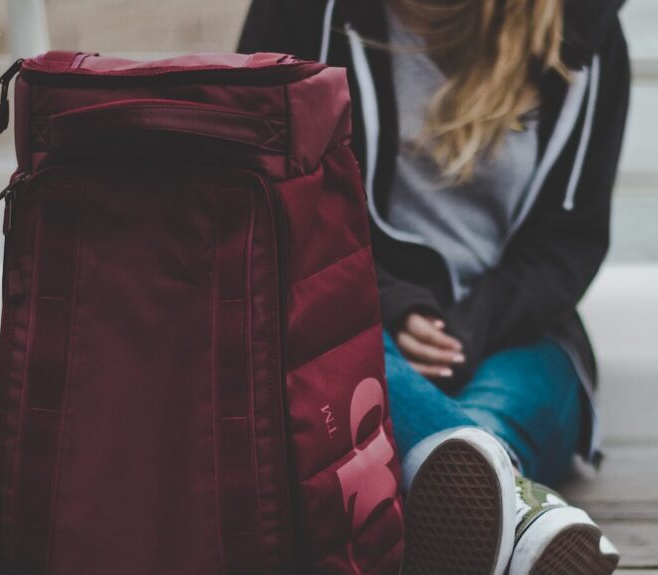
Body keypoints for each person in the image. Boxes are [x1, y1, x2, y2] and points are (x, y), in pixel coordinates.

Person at [240, 0, 629, 572]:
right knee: (336, 360)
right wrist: (391, 301)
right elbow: (261, 191)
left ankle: (469, 496)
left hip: (515, 327)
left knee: (532, 390)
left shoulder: (582, 29)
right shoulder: (303, 12)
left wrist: (474, 324)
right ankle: (514, 513)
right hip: (349, 312)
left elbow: (572, 240)